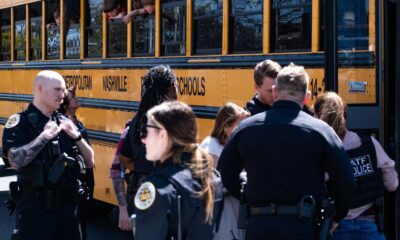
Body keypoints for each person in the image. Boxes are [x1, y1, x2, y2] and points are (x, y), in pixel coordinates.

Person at [217, 63, 356, 240]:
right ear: (306, 97)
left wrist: (247, 195)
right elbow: (347, 181)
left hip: (260, 227)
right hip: (305, 227)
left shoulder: (246, 129)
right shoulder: (322, 132)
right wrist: (336, 215)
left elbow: (225, 171)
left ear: (275, 92)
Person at [2, 70, 95, 240]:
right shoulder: (20, 122)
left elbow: (90, 162)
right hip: (36, 213)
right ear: (40, 88)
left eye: (63, 90)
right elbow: (15, 161)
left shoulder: (66, 122)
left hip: (69, 213)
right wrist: (44, 137)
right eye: (57, 90)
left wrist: (78, 137)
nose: (62, 95)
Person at [313, 92, 399, 240]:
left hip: (334, 228)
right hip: (370, 226)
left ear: (317, 117)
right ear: (345, 116)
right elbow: (392, 185)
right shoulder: (369, 144)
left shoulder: (320, 151)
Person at [134, 101, 223, 239]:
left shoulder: (157, 188)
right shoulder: (212, 179)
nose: (143, 139)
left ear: (162, 135)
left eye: (147, 130)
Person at [111, 65, 178, 231]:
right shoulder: (172, 123)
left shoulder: (135, 123)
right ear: (171, 87)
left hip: (141, 192)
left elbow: (122, 160)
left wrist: (141, 167)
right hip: (165, 195)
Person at [200, 102, 249, 240]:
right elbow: (213, 181)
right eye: (239, 126)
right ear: (225, 125)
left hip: (235, 207)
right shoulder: (212, 146)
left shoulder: (236, 144)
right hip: (223, 211)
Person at [58, 86, 95, 240]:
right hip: (72, 177)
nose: (77, 98)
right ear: (66, 103)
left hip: (86, 175)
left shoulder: (77, 122)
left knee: (83, 219)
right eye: (73, 97)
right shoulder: (62, 124)